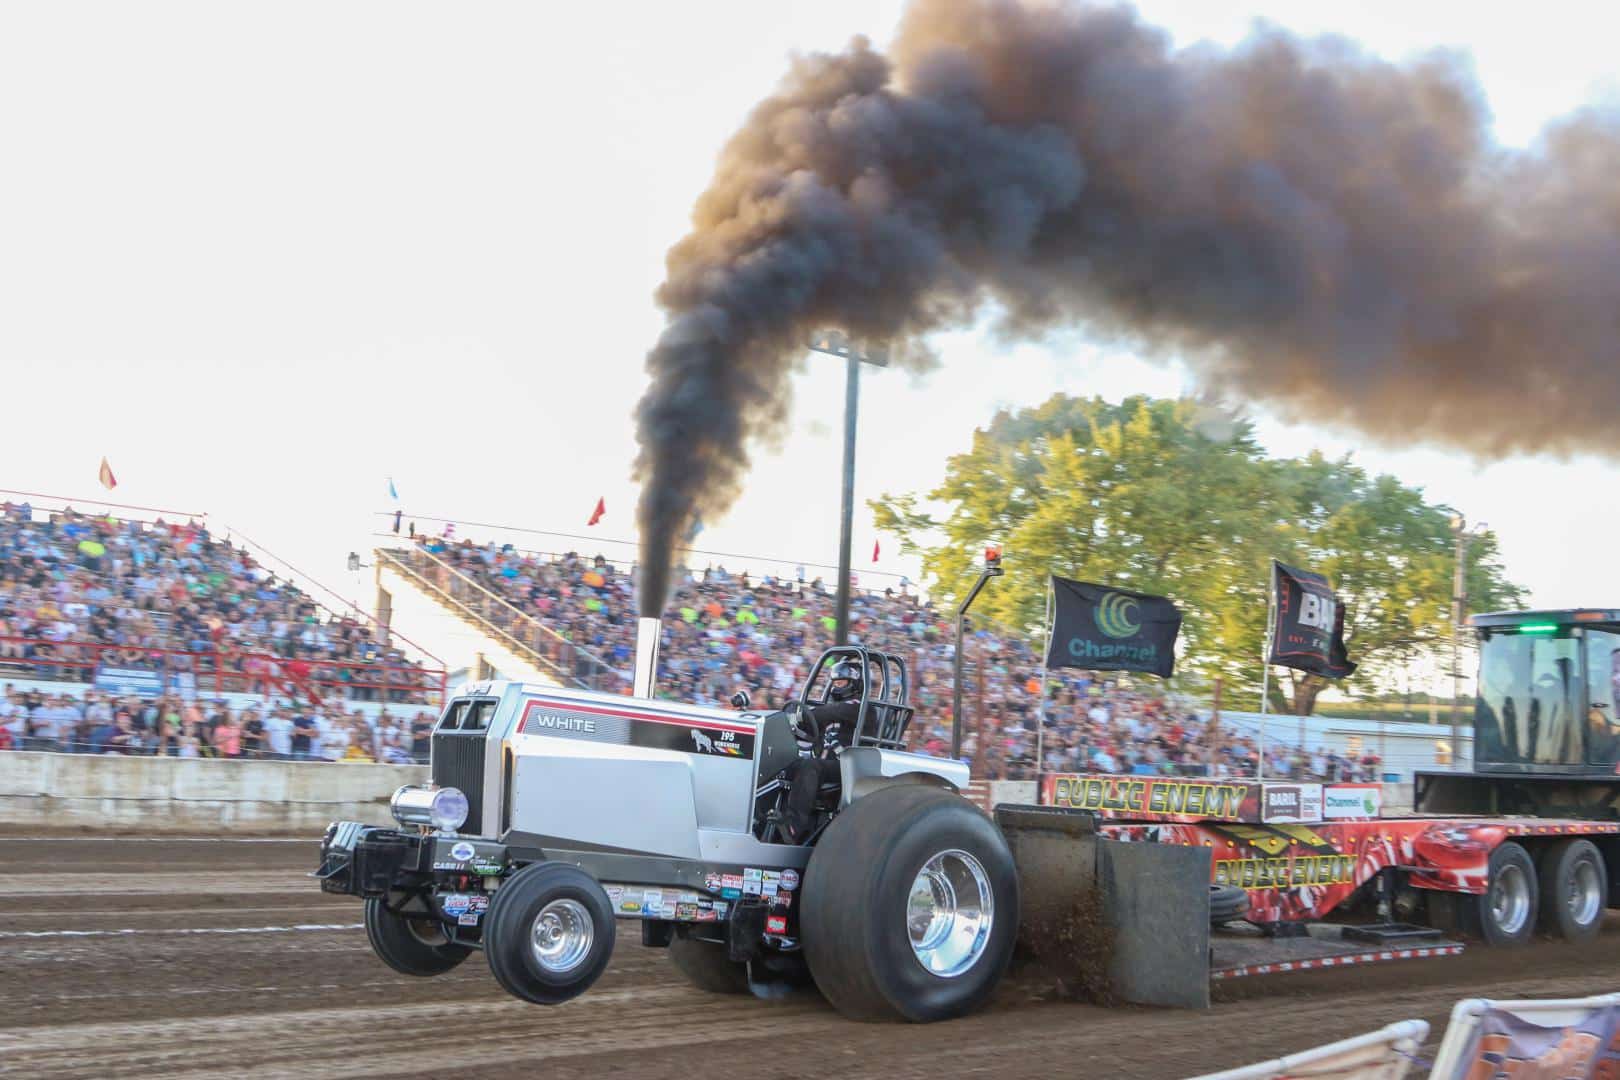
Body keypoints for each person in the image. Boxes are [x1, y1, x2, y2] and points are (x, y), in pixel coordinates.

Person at [783, 660, 863, 842]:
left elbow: (827, 713)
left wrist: (801, 715)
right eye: (834, 683)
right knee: (786, 763)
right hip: (826, 763)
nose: (836, 687)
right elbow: (813, 727)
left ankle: (794, 826)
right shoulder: (835, 709)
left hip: (847, 767)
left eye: (840, 683)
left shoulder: (859, 707)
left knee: (811, 766)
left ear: (853, 683)